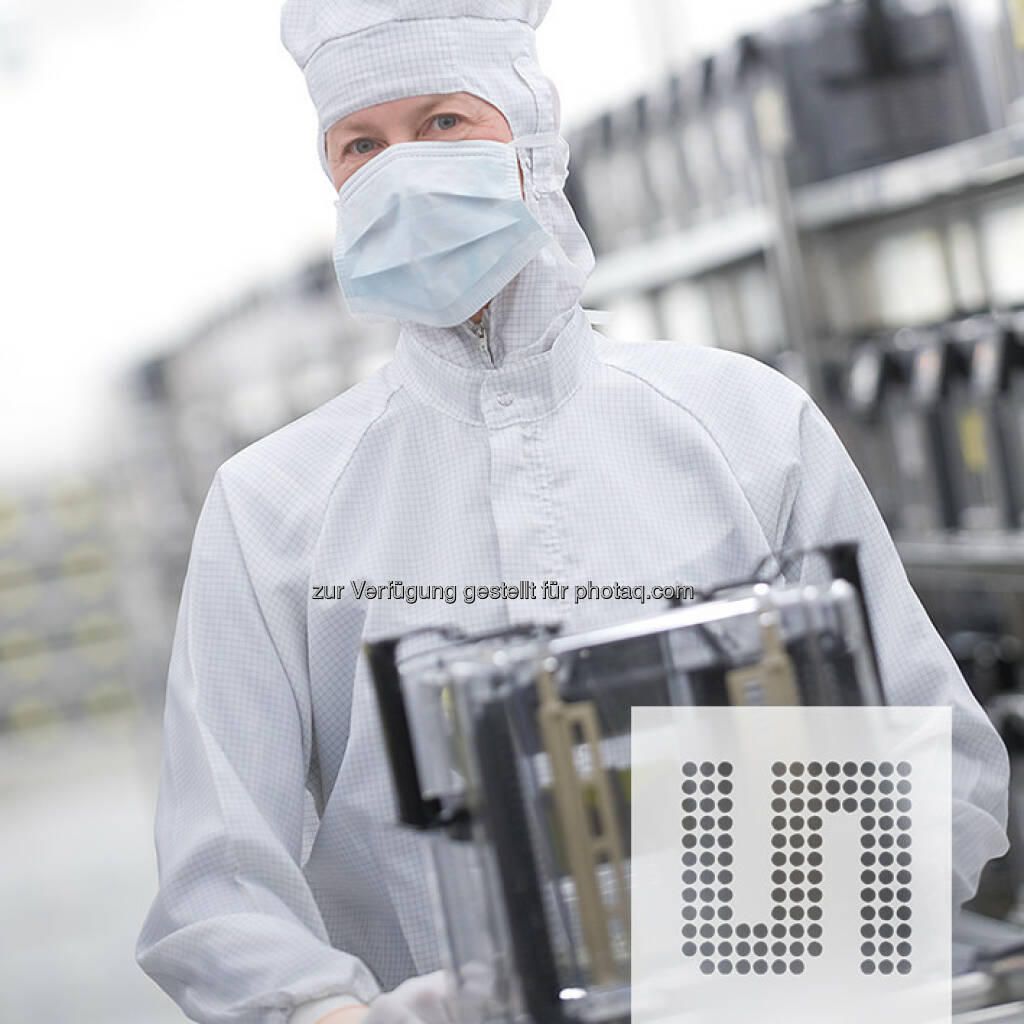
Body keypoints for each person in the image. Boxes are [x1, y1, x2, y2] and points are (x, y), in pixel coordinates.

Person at [135, 2, 1011, 1023]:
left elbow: (933, 751)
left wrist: (803, 952)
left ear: (531, 136)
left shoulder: (745, 424)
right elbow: (219, 875)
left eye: (443, 122)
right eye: (360, 146)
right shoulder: (272, 504)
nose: (400, 171)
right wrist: (334, 1013)